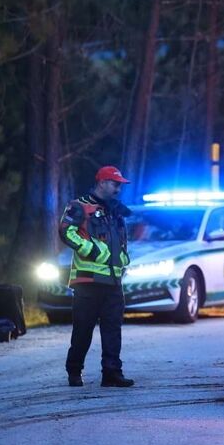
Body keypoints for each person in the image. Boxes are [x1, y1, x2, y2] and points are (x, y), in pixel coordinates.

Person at [59, 166, 134, 387]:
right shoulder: (79, 206)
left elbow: (120, 241)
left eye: (120, 185)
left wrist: (123, 260)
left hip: (113, 282)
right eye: (115, 184)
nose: (118, 189)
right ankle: (74, 371)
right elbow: (65, 231)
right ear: (102, 183)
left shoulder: (114, 209)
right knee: (83, 330)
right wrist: (91, 250)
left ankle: (112, 373)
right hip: (88, 282)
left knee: (113, 330)